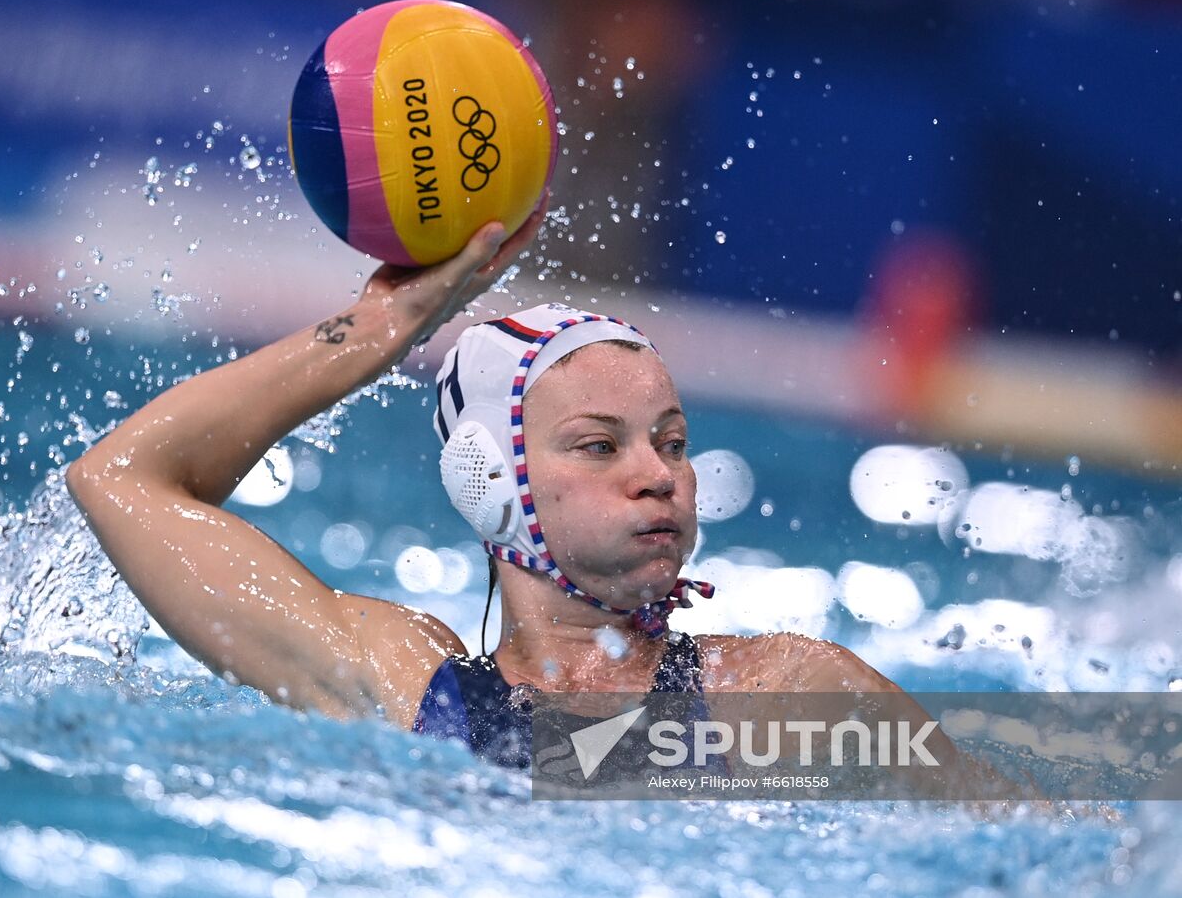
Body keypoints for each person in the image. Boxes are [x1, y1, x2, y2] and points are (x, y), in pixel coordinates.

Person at [64, 213, 994, 788]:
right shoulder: (396, 687)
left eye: (673, 442)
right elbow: (120, 477)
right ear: (490, 482)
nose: (658, 472)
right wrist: (380, 329)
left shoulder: (784, 695)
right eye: (601, 444)